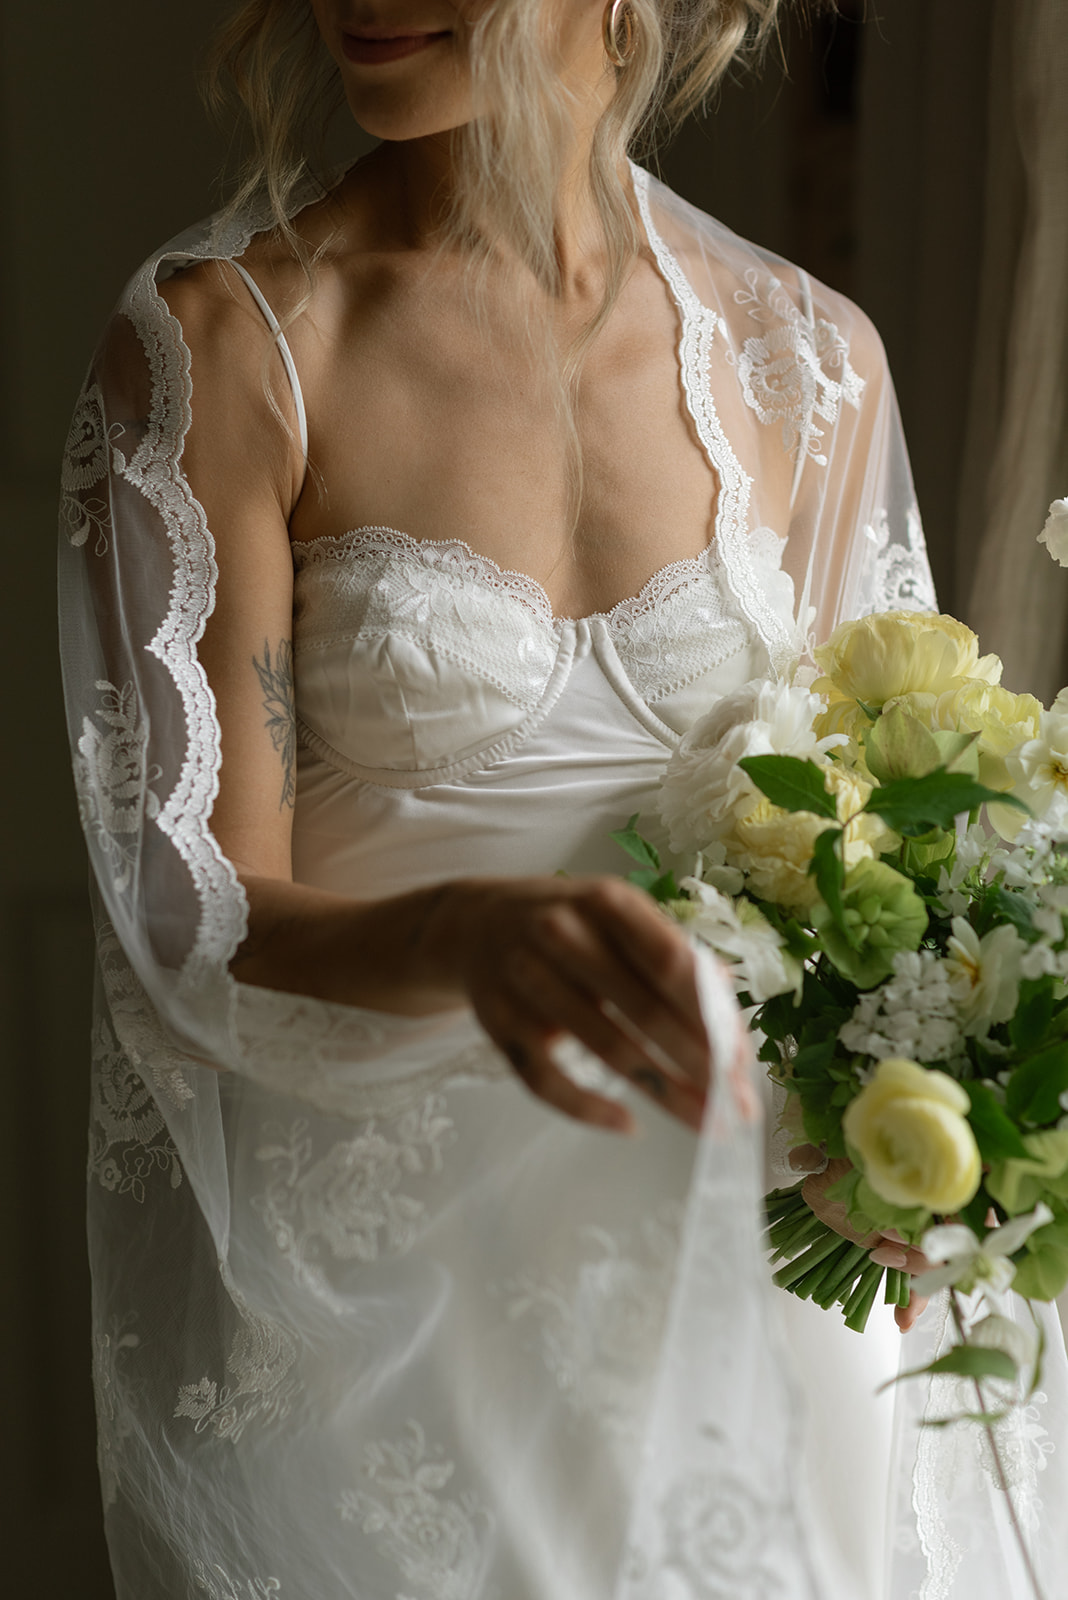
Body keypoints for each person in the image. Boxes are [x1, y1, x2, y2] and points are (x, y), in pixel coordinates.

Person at [59, 3, 952, 1596]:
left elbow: (895, 865)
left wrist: (920, 1122)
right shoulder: (227, 346)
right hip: (402, 1338)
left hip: (754, 1293)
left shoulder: (808, 363)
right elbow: (190, 904)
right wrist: (468, 932)